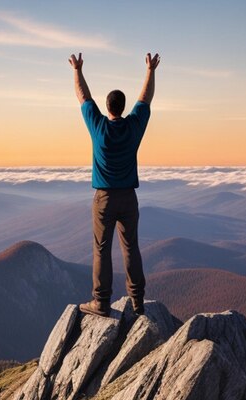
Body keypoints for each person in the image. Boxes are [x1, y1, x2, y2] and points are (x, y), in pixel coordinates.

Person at [68, 52, 160, 317]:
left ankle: (101, 303)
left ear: (107, 108)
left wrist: (77, 70)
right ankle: (138, 302)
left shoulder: (98, 127)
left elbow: (83, 97)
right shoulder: (133, 127)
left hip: (104, 198)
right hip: (129, 197)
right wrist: (150, 70)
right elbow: (145, 99)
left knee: (101, 249)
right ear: (122, 107)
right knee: (131, 246)